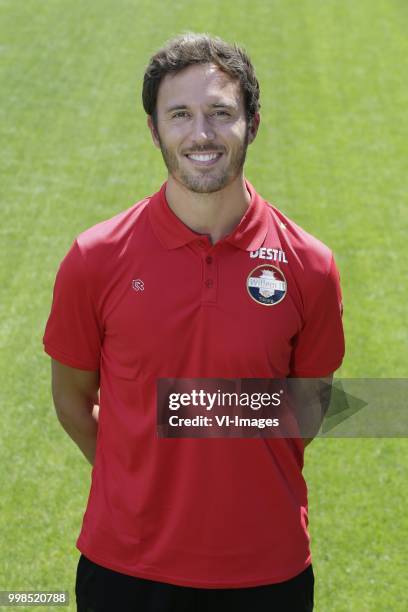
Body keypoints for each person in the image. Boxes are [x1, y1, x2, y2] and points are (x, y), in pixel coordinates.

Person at [43, 33, 345, 612]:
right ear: (155, 130)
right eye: (180, 114)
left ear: (252, 124)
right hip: (125, 571)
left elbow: (309, 406)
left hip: (267, 571)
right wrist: (136, 472)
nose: (200, 134)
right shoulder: (95, 258)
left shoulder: (311, 267)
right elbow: (73, 402)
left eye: (220, 114)